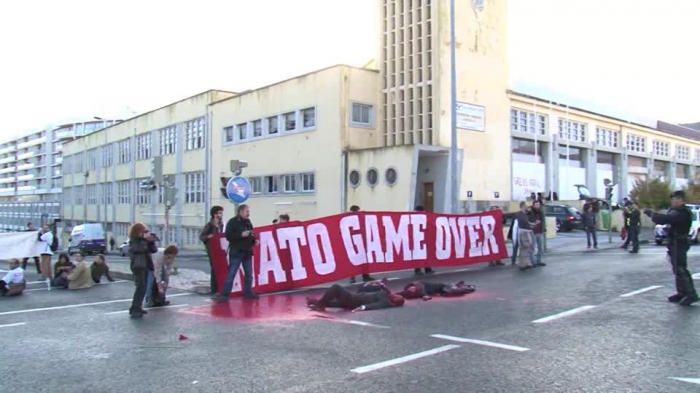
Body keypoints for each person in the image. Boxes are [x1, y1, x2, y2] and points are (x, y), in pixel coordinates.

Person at [647, 191, 698, 306]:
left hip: (679, 242)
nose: (672, 201)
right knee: (676, 268)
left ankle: (691, 294)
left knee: (681, 268)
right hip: (674, 242)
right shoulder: (677, 211)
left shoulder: (682, 212)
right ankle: (681, 292)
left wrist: (652, 214)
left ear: (680, 200)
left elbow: (665, 219)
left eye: (674, 199)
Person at [216, 204, 259, 302]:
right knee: (231, 274)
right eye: (246, 211)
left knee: (249, 274)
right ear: (240, 212)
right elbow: (228, 236)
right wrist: (240, 235)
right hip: (236, 252)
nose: (248, 213)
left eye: (248, 211)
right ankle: (225, 295)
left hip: (247, 251)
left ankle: (248, 292)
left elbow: (251, 234)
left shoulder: (248, 222)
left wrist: (254, 240)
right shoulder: (232, 222)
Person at [127, 223, 158, 318]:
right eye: (143, 231)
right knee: (140, 288)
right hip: (138, 266)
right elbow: (139, 249)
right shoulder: (134, 241)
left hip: (146, 266)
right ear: (138, 232)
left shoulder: (143, 241)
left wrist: (151, 241)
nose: (145, 232)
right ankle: (134, 309)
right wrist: (145, 240)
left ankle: (138, 307)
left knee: (143, 288)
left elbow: (154, 250)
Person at [307, 284, 405, 312]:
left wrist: (362, 307)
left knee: (336, 288)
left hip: (354, 301)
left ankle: (318, 305)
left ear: (395, 303)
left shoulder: (386, 302)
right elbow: (366, 288)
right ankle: (314, 302)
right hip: (355, 298)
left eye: (397, 298)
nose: (395, 295)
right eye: (397, 295)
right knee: (331, 302)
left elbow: (375, 305)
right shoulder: (386, 294)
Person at [200, 206, 224, 298]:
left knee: (221, 269)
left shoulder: (221, 224)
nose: (221, 215)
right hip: (212, 249)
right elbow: (202, 236)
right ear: (215, 214)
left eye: (221, 213)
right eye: (219, 213)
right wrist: (208, 237)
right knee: (214, 269)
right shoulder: (209, 225)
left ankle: (220, 288)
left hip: (220, 249)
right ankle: (214, 290)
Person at [348, 205, 376, 284]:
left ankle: (364, 276)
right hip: (355, 242)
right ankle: (354, 277)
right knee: (356, 261)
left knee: (363, 260)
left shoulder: (358, 218)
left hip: (360, 242)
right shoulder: (349, 219)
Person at [413, 205, 437, 273]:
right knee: (424, 254)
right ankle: (426, 269)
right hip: (423, 238)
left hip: (419, 238)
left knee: (419, 254)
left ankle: (419, 269)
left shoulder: (413, 217)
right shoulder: (425, 217)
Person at [398, 280, 476, 300]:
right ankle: (460, 285)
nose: (412, 288)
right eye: (412, 290)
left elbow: (422, 290)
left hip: (444, 286)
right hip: (442, 290)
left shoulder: (418, 285)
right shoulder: (412, 291)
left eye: (412, 288)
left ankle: (466, 287)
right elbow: (400, 293)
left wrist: (424, 295)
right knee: (447, 293)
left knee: (450, 291)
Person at [516, 202, 535, 271]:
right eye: (525, 206)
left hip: (526, 231)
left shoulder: (524, 214)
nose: (527, 207)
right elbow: (524, 221)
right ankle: (522, 264)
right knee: (524, 247)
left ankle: (526, 262)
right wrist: (530, 224)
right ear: (522, 206)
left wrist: (532, 224)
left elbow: (527, 221)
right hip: (524, 232)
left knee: (527, 248)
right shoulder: (519, 214)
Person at [37, 224, 54, 290]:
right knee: (48, 265)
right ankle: (50, 276)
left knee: (44, 264)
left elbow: (40, 238)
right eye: (44, 228)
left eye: (46, 228)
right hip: (47, 251)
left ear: (48, 229)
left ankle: (44, 276)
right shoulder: (49, 234)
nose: (44, 229)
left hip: (46, 251)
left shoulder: (47, 234)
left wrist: (39, 232)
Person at [529, 200, 546, 267]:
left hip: (540, 231)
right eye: (536, 204)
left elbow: (543, 221)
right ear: (533, 205)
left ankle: (539, 261)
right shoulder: (530, 212)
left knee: (540, 247)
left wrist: (544, 228)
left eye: (538, 204)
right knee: (532, 248)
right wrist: (534, 223)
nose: (537, 206)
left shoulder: (541, 212)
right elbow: (527, 221)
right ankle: (533, 262)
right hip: (533, 232)